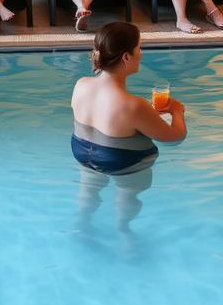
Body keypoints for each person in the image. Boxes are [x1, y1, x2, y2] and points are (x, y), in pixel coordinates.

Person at [71, 22, 187, 230]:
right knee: (128, 195)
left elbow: (107, 115)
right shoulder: (134, 106)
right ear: (126, 57)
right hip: (122, 163)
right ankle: (124, 232)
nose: (141, 54)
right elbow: (175, 136)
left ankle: (81, 225)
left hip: (81, 152)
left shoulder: (81, 84)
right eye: (139, 48)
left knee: (88, 191)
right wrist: (177, 111)